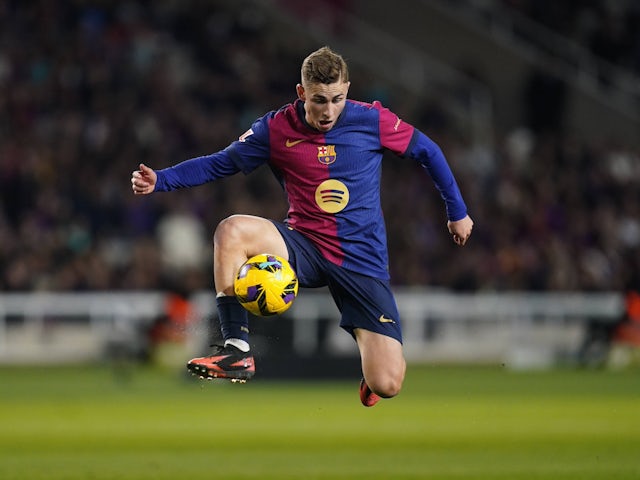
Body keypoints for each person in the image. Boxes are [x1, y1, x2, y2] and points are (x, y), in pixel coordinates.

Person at [131, 46, 473, 407]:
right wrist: (162, 179)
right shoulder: (275, 128)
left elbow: (429, 151)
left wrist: (458, 212)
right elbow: (222, 163)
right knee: (231, 230)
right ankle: (237, 349)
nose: (328, 111)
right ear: (301, 93)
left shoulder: (372, 120)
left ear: (348, 90)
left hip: (362, 260)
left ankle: (372, 374)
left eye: (337, 99)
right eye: (319, 100)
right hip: (303, 246)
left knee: (388, 383)